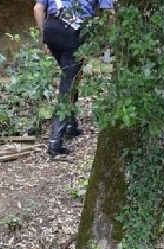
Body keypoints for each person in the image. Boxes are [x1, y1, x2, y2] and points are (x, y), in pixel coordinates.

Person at [33, 0, 115, 156]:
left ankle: (71, 124)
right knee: (68, 84)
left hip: (51, 28)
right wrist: (107, 37)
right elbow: (109, 12)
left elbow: (38, 8)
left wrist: (45, 37)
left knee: (72, 74)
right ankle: (55, 141)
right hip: (74, 33)